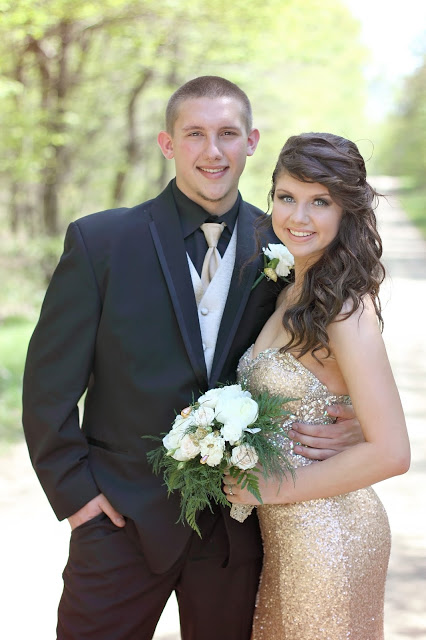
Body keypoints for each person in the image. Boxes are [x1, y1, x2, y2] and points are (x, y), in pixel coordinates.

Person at [23, 79, 362, 640]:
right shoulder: (100, 242)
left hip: (239, 529)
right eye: (195, 134)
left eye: (227, 133)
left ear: (251, 142)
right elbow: (47, 386)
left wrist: (354, 425)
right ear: (167, 143)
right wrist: (77, 498)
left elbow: (335, 361)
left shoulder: (288, 242)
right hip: (119, 521)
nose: (213, 151)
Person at [224, 132, 410, 639]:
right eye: (287, 197)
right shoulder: (292, 290)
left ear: (347, 210)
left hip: (330, 533)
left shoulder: (345, 308)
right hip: (287, 534)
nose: (298, 217)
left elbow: (393, 452)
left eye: (320, 202)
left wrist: (271, 487)